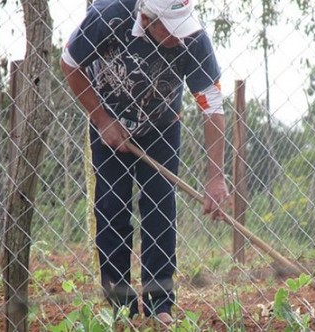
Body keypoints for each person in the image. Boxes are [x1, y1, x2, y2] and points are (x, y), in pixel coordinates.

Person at [60, 0, 229, 324]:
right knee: (111, 211)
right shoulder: (109, 16)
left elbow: (212, 103)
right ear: (147, 18)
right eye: (171, 29)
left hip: (162, 126)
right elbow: (69, 63)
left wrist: (216, 177)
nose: (180, 38)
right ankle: (119, 309)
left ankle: (159, 307)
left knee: (160, 212)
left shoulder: (193, 39)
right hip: (109, 122)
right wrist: (102, 119)